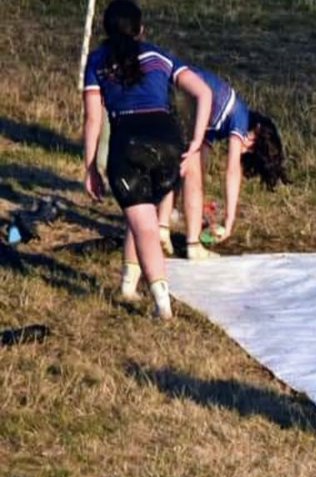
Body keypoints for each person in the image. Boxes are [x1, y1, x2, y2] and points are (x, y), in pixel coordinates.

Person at [83, 0, 212, 319]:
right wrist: (195, 142)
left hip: (128, 142)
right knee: (145, 219)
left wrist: (90, 167)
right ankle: (128, 285)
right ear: (141, 30)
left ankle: (161, 304)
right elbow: (204, 93)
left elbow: (92, 120)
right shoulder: (160, 55)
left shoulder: (98, 61)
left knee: (143, 225)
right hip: (169, 143)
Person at [157, 66, 287, 258]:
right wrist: (229, 219)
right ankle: (188, 241)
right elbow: (232, 170)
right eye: (252, 146)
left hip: (170, 92)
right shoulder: (240, 116)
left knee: (182, 165)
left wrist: (197, 212)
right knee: (187, 168)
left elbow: (199, 167)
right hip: (188, 95)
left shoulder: (213, 126)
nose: (247, 148)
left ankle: (162, 226)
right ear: (256, 131)